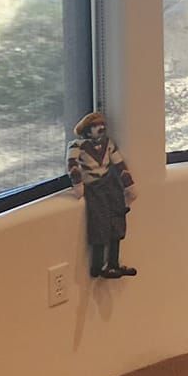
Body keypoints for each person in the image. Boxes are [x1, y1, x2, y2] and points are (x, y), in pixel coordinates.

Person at [67, 110, 137, 279]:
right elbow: (73, 165)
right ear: (87, 129)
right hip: (94, 187)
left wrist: (129, 185)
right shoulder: (78, 146)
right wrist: (77, 184)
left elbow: (119, 164)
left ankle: (114, 263)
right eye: (95, 126)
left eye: (102, 125)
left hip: (109, 185)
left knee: (117, 221)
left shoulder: (109, 144)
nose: (101, 128)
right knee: (99, 224)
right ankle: (98, 266)